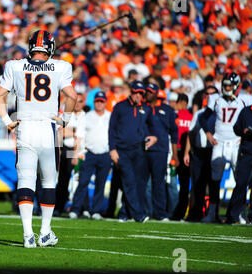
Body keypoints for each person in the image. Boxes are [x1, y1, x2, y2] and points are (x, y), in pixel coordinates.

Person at [0, 30, 77, 248]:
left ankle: (28, 234)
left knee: (26, 180)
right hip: (48, 129)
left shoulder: (14, 65)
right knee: (48, 181)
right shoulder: (62, 66)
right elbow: (72, 96)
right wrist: (64, 120)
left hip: (25, 127)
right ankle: (45, 232)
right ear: (50, 46)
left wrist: (6, 121)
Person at [199, 72, 247, 223]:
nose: (227, 88)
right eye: (225, 85)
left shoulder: (244, 100)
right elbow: (203, 117)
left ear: (236, 86)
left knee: (240, 181)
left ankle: (237, 213)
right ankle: (212, 213)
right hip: (218, 143)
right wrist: (208, 133)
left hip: (235, 144)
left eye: (230, 85)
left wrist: (244, 137)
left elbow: (249, 120)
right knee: (214, 181)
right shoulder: (215, 99)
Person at [108, 81, 158, 223]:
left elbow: (153, 126)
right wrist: (112, 149)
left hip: (139, 150)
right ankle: (138, 214)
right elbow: (111, 129)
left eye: (141, 93)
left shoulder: (146, 109)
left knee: (137, 183)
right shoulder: (120, 107)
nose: (138, 95)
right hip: (122, 150)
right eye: (136, 92)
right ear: (131, 92)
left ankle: (124, 213)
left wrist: (154, 137)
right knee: (129, 182)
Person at [68, 91, 112, 220]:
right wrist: (76, 154)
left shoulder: (110, 116)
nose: (99, 103)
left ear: (105, 103)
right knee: (83, 182)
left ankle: (96, 211)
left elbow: (114, 137)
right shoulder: (86, 116)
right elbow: (79, 136)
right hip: (89, 153)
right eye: (97, 101)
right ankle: (75, 209)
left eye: (102, 101)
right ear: (94, 103)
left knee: (101, 183)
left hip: (105, 154)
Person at [142, 83, 179, 221]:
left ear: (157, 93)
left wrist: (175, 155)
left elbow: (174, 133)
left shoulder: (167, 110)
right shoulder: (142, 108)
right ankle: (146, 212)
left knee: (159, 183)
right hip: (144, 150)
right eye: (147, 91)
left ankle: (160, 213)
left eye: (151, 92)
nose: (148, 94)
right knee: (145, 183)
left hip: (161, 151)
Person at [183, 86, 218, 222]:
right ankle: (195, 213)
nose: (208, 97)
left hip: (212, 151)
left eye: (212, 94)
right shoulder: (199, 114)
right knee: (197, 184)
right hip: (198, 152)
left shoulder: (219, 114)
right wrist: (187, 152)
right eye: (206, 94)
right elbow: (191, 133)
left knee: (213, 184)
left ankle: (212, 214)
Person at [226, 96, 252, 225]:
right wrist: (243, 131)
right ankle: (233, 216)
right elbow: (236, 128)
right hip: (246, 152)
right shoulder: (245, 112)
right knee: (240, 184)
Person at [55, 93, 86, 216]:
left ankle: (82, 208)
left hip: (83, 151)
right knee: (64, 179)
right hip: (69, 150)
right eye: (76, 101)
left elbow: (78, 134)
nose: (77, 104)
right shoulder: (66, 115)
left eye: (80, 101)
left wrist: (71, 131)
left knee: (82, 180)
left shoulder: (85, 116)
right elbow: (60, 133)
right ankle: (59, 207)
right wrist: (74, 132)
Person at [170, 94, 193, 220]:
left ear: (180, 102)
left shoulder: (175, 116)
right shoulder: (192, 117)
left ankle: (173, 211)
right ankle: (181, 212)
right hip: (187, 153)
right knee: (184, 185)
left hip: (175, 151)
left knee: (171, 182)